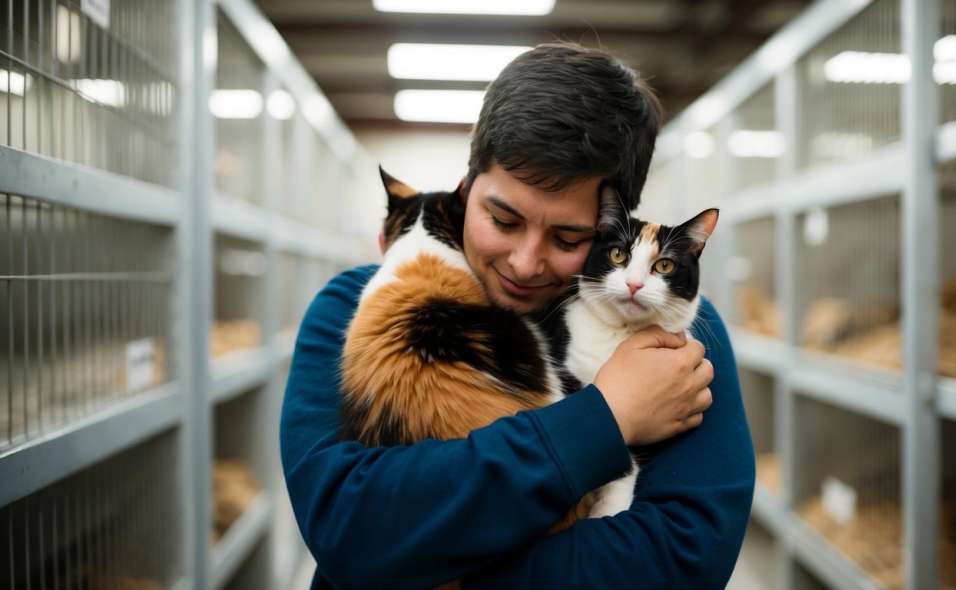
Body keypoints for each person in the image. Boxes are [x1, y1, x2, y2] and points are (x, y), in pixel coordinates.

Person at [280, 43, 755, 589]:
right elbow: (352, 532)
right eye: (503, 220)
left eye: (568, 237)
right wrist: (606, 418)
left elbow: (683, 559)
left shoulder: (671, 330)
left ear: (613, 227)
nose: (526, 264)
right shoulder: (356, 308)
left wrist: (427, 560)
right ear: (465, 190)